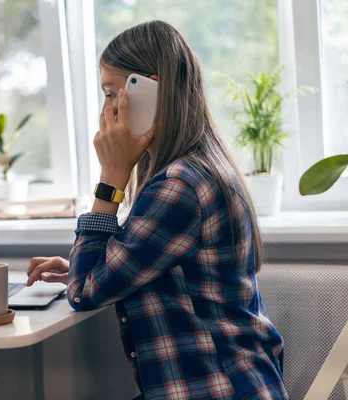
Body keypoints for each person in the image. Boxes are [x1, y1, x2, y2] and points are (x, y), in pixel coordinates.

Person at [26, 20, 287, 399]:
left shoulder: (179, 185)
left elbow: (84, 294)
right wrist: (88, 268)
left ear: (150, 91)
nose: (106, 112)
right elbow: (135, 270)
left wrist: (111, 178)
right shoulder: (200, 166)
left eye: (112, 94)